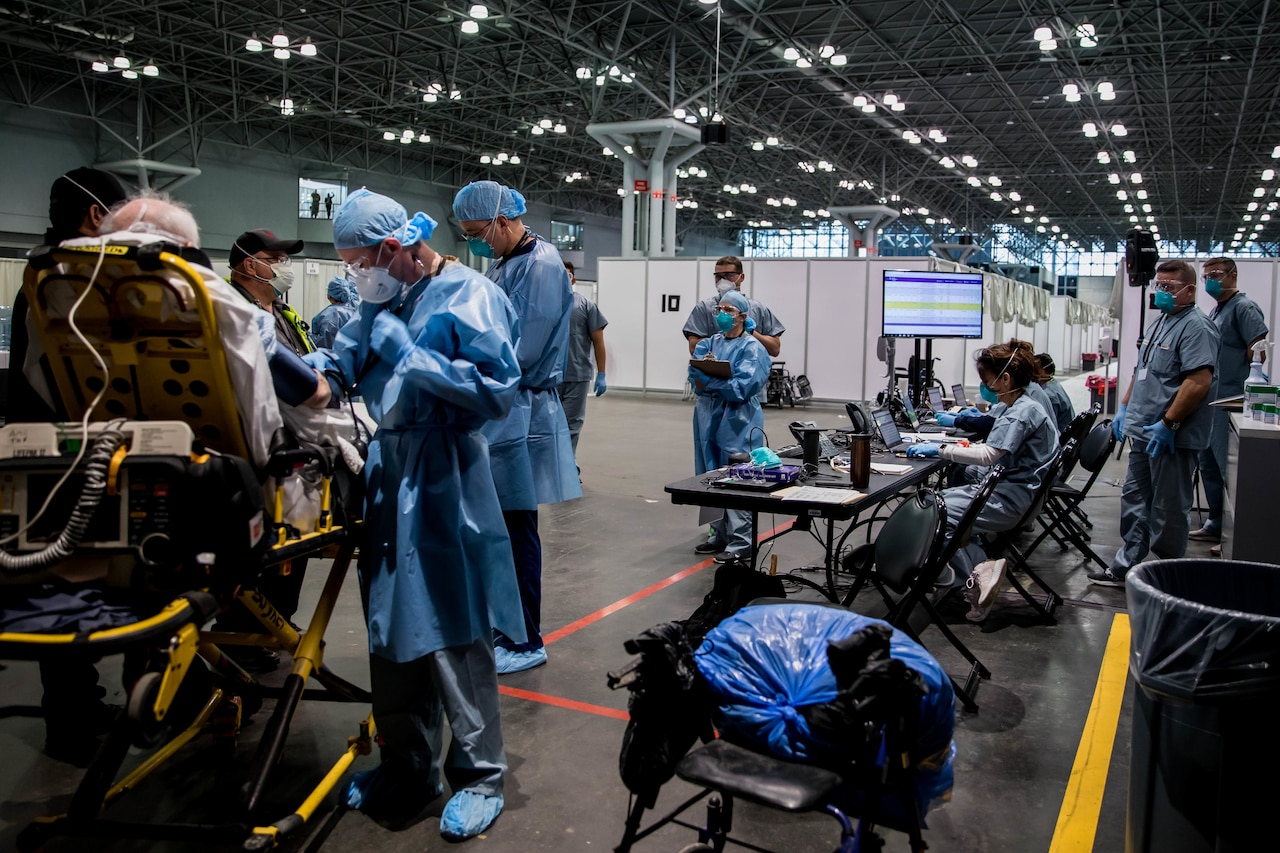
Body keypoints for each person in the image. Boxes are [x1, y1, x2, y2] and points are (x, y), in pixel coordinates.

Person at [307, 188, 523, 840]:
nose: (355, 276)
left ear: (394, 248)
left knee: (455, 635)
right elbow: (339, 364)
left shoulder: (467, 295)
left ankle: (482, 774)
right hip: (387, 475)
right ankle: (408, 766)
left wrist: (418, 360)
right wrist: (299, 369)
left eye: (358, 262)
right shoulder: (381, 303)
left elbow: (496, 392)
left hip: (445, 478)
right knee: (392, 637)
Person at [6, 167, 127, 766]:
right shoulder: (69, 277)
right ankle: (75, 726)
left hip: (49, 448)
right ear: (95, 216)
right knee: (71, 583)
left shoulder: (45, 270)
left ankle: (80, 707)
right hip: (64, 453)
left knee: (68, 583)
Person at [453, 180, 581, 675]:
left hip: (520, 407)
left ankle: (526, 638)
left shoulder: (543, 266)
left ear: (503, 220)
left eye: (476, 232)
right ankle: (500, 624)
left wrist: (461, 369)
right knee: (494, 529)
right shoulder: (506, 260)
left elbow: (521, 352)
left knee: (515, 529)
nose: (475, 243)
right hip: (499, 407)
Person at [906, 342, 1060, 621]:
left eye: (988, 380)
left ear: (1005, 379)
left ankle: (966, 583)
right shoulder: (1023, 404)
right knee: (936, 500)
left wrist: (939, 449)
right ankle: (981, 569)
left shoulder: (1022, 412)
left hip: (1011, 499)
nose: (986, 386)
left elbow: (989, 454)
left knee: (932, 513)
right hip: (1015, 494)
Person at [1088, 260, 1220, 587]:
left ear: (1190, 290)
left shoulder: (1197, 327)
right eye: (1158, 285)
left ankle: (1168, 575)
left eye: (1169, 287)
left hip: (1171, 435)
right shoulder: (1161, 322)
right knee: (1134, 500)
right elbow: (1141, 370)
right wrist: (1123, 408)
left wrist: (1169, 423)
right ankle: (1126, 566)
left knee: (1168, 509)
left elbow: (1199, 381)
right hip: (1143, 430)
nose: (1161, 292)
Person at [689, 289, 773, 563]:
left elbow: (743, 387)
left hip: (738, 418)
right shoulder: (708, 344)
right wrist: (717, 383)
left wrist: (712, 383)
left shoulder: (753, 348)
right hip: (706, 417)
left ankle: (741, 541)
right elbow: (695, 375)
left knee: (738, 477)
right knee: (710, 475)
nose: (722, 315)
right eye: (720, 309)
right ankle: (718, 533)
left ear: (743, 317)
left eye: (729, 310)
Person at [1189, 257, 1268, 543]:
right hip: (1213, 399)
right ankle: (1215, 522)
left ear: (1233, 276)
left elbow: (1258, 350)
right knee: (1208, 463)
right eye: (1206, 275)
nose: (1211, 280)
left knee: (1226, 466)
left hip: (1230, 399)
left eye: (1217, 274)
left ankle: (1232, 535)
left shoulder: (1244, 308)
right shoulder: (1217, 310)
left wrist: (1251, 380)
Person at [229, 229, 313, 357]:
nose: (285, 267)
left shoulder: (283, 310)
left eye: (284, 260)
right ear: (250, 266)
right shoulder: (234, 316)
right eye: (276, 259)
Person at [683, 255, 785, 357]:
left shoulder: (758, 309)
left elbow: (775, 349)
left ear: (741, 277)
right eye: (718, 276)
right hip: (715, 370)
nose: (723, 280)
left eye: (728, 275)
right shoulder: (705, 308)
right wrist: (725, 339)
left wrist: (750, 333)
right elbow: (693, 348)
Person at [556, 260, 608, 454]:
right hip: (548, 376)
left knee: (571, 427)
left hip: (577, 376)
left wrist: (601, 373)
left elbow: (598, 341)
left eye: (567, 275)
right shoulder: (544, 304)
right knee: (547, 427)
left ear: (573, 279)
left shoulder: (586, 306)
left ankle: (567, 469)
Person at [310, 274, 358, 349]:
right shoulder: (354, 305)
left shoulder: (330, 316)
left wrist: (307, 336)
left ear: (329, 296)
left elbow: (325, 343)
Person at [1035, 353, 1075, 434]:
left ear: (1045, 372)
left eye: (1035, 370)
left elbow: (1047, 428)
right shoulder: (1053, 384)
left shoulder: (1048, 395)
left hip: (1061, 437)